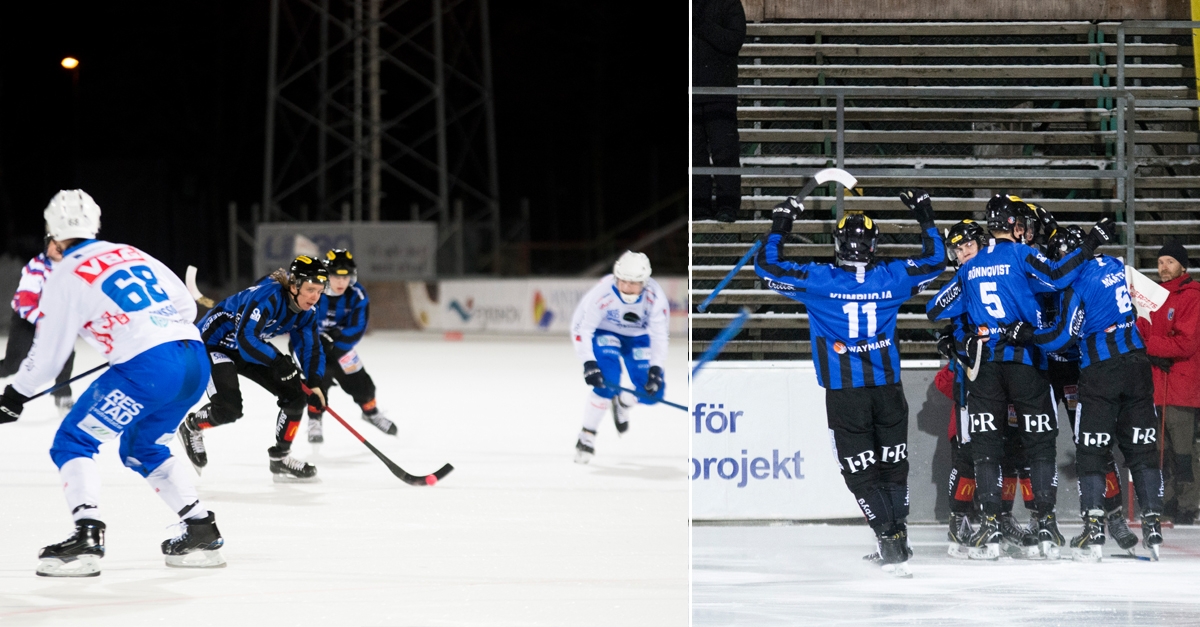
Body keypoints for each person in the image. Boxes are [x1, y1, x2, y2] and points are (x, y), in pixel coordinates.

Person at [0, 190, 223, 576]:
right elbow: (185, 306)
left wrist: (14, 395)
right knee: (143, 447)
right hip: (193, 360)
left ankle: (87, 536)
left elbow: (49, 357)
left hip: (148, 368)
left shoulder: (64, 274)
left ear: (53, 233)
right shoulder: (132, 252)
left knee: (73, 441)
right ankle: (201, 528)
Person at [755, 190, 946, 577]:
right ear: (873, 245)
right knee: (894, 463)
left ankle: (887, 537)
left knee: (859, 469)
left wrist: (781, 224)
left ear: (838, 244)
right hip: (889, 389)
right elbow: (937, 259)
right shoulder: (893, 277)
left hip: (845, 393)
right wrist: (924, 214)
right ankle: (897, 537)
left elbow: (766, 266)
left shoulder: (818, 280)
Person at [926, 193, 1115, 560]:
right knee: (1039, 443)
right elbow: (1058, 276)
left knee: (986, 447)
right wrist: (1091, 242)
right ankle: (1046, 525)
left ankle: (991, 526)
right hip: (1027, 359)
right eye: (1023, 224)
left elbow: (936, 308)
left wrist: (960, 334)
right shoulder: (1019, 254)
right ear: (1014, 225)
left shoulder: (971, 265)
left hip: (987, 366)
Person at [1000, 228, 1165, 560]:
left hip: (1089, 366)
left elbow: (1062, 335)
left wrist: (1028, 335)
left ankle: (1103, 522)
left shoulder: (1072, 282)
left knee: (1091, 448)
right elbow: (1156, 302)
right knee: (1139, 448)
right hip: (1129, 362)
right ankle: (1151, 523)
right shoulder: (1116, 265)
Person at [178, 256, 328, 482]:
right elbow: (245, 338)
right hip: (213, 345)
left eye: (319, 291)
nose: (315, 297)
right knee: (229, 409)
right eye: (310, 290)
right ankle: (191, 427)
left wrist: (315, 382)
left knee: (296, 396)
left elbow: (310, 347)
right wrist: (278, 362)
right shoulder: (268, 297)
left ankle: (280, 458)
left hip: (246, 346)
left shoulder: (308, 312)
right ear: (295, 285)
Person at [570, 251, 670, 464]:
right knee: (607, 382)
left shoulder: (656, 298)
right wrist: (588, 362)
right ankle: (587, 435)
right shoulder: (603, 293)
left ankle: (623, 403)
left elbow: (660, 336)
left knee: (655, 391)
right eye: (622, 281)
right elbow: (581, 328)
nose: (626, 287)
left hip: (639, 337)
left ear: (645, 282)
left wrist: (656, 370)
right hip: (606, 333)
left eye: (633, 283)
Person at [1136, 242, 1200, 525]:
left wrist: (1151, 346)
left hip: (1182, 385)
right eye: (1160, 262)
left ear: (1183, 266)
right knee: (1164, 450)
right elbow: (1148, 331)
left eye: (1169, 262)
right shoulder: (1158, 297)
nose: (1163, 267)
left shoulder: (1192, 296)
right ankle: (1170, 502)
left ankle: (1188, 504)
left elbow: (1186, 343)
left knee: (1184, 451)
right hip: (1158, 384)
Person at [303, 248, 395, 444]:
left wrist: (335, 342)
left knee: (361, 381)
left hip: (340, 347)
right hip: (311, 347)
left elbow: (358, 328)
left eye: (346, 278)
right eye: (336, 276)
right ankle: (314, 420)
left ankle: (370, 412)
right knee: (319, 379)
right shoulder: (311, 291)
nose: (341, 282)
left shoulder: (357, 295)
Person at [0, 237, 76, 417]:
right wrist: (46, 323)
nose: (58, 247)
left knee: (66, 355)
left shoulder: (73, 267)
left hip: (54, 320)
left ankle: (62, 395)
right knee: (13, 364)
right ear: (46, 245)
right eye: (54, 243)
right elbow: (25, 302)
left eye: (64, 244)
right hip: (26, 318)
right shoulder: (37, 266)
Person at [692, 0, 746, 223]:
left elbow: (733, 41)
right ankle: (698, 204)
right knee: (694, 154)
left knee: (725, 151)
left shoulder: (728, 3)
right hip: (692, 92)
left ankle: (727, 203)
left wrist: (701, 24)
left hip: (719, 92)